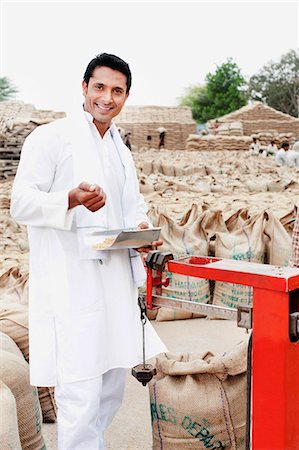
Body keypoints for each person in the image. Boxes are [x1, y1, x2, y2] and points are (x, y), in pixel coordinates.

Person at [10, 53, 167, 450]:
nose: (107, 98)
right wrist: (71, 199)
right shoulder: (49, 138)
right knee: (79, 393)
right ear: (84, 87)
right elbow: (21, 203)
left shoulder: (120, 150)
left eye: (117, 91)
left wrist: (145, 231)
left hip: (114, 282)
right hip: (71, 284)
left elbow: (133, 209)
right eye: (100, 87)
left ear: (126, 96)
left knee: (111, 388)